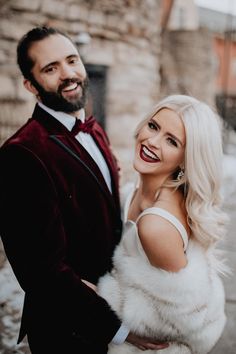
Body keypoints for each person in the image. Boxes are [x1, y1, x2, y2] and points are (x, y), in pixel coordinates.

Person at [0, 26, 167, 354]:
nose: (68, 74)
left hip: (117, 305)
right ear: (30, 85)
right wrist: (116, 328)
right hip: (68, 330)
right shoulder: (21, 154)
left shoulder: (93, 127)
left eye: (71, 60)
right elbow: (41, 271)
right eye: (50, 68)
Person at [97, 94, 229, 354]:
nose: (152, 141)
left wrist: (97, 293)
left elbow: (193, 319)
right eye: (154, 126)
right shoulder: (136, 189)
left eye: (172, 141)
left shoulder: (156, 226)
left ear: (185, 159)